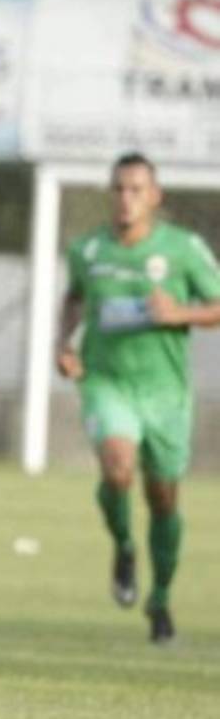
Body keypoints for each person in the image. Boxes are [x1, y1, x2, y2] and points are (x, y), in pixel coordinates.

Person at [56, 152, 220, 644]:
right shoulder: (88, 250)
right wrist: (65, 344)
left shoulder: (183, 249)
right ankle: (125, 545)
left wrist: (179, 315)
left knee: (163, 498)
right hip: (107, 383)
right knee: (118, 467)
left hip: (166, 394)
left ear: (155, 196)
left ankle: (161, 598)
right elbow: (74, 298)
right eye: (119, 189)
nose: (125, 199)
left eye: (136, 190)